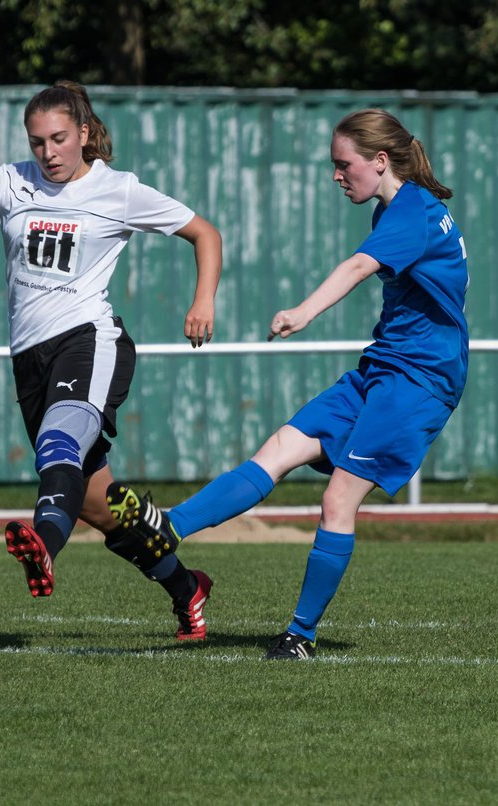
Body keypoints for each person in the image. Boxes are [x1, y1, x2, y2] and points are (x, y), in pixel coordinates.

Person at [106, 108, 469, 659]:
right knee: (279, 448)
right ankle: (169, 529)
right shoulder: (402, 208)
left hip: (420, 380)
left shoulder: (410, 212)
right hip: (385, 367)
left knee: (337, 499)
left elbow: (355, 269)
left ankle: (300, 635)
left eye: (343, 165)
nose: (336, 175)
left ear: (379, 161)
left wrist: (303, 312)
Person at [0, 81, 223, 641]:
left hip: (90, 339)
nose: (47, 152)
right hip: (30, 359)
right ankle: (187, 589)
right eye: (37, 142)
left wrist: (202, 301)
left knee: (59, 444)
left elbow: (205, 233)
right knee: (101, 510)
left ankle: (44, 548)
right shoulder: (8, 182)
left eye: (57, 139)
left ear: (82, 134)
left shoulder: (117, 190)